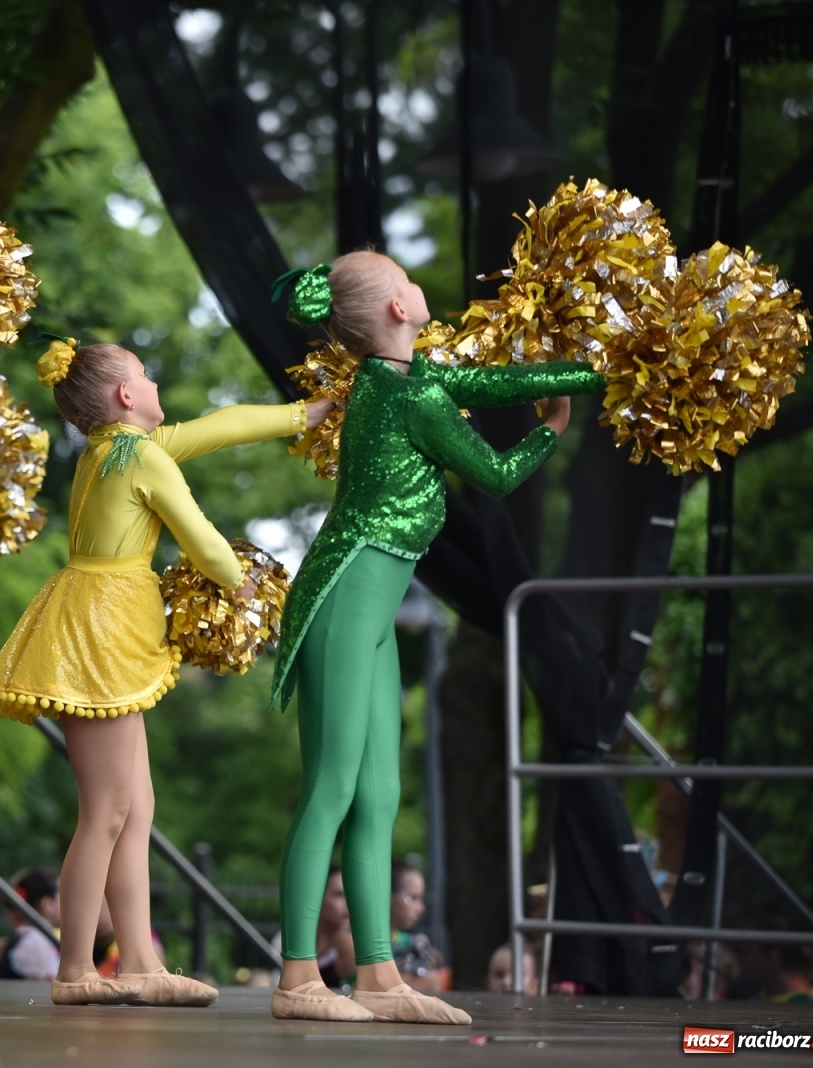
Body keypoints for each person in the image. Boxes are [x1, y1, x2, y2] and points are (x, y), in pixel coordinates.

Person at [269, 251, 604, 1024]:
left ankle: (379, 974)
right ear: (397, 308)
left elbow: (490, 382)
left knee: (380, 794)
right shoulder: (407, 393)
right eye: (406, 278)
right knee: (333, 788)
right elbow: (494, 474)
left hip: (372, 613)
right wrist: (551, 431)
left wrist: (598, 370)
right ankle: (297, 978)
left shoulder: (403, 379)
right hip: (346, 596)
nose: (419, 287)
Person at [0, 336, 329, 1007]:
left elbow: (221, 427)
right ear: (125, 395)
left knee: (135, 807)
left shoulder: (116, 449)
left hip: (100, 622)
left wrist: (301, 415)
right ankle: (74, 968)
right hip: (100, 630)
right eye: (145, 374)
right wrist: (236, 580)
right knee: (107, 811)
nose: (155, 383)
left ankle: (137, 959)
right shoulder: (139, 455)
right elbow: (198, 534)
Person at [0, 868, 61, 981]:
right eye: (64, 896)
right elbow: (46, 990)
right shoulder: (35, 943)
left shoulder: (31, 939)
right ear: (47, 904)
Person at [390, 860, 447, 992]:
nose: (421, 909)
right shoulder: (354, 940)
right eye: (412, 898)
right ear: (388, 896)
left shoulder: (414, 942)